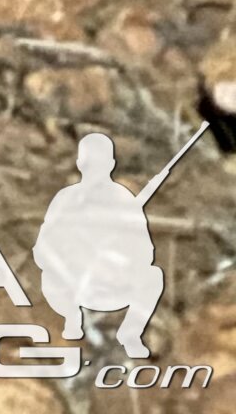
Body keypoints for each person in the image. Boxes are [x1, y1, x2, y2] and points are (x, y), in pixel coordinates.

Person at [34, 129, 167, 357]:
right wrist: (76, 264)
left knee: (153, 277)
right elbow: (43, 246)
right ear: (80, 163)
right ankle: (73, 327)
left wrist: (119, 265)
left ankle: (131, 334)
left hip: (114, 283)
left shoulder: (124, 199)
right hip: (73, 282)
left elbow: (145, 250)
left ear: (111, 163)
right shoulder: (66, 198)